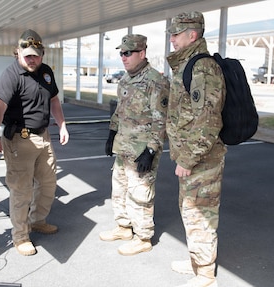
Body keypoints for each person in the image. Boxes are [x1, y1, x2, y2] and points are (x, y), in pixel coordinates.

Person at [0, 29, 69, 256]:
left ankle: (37, 220)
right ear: (18, 53)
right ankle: (20, 236)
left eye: (36, 55)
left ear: (42, 54)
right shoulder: (11, 75)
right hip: (19, 140)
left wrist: (62, 125)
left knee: (47, 183)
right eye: (28, 56)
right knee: (21, 190)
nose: (32, 60)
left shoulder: (46, 72)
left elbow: (54, 100)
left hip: (43, 136)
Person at [165, 11, 227, 287]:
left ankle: (205, 273)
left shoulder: (202, 68)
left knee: (200, 213)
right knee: (190, 210)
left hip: (202, 159)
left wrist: (188, 158)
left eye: (176, 34)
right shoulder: (187, 65)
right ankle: (196, 261)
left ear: (192, 35)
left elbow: (208, 120)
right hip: (193, 158)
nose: (172, 40)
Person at [99, 34, 170, 256]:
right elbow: (119, 112)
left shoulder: (155, 81)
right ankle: (123, 227)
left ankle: (143, 237)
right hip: (123, 148)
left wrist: (150, 151)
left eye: (128, 53)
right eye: (121, 53)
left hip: (141, 151)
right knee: (119, 190)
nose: (124, 57)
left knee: (140, 194)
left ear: (142, 53)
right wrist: (112, 134)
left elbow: (161, 120)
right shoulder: (125, 80)